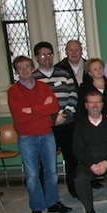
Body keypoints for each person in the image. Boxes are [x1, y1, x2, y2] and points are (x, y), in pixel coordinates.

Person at [8, 56, 71, 213]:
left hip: (46, 134)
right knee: (32, 175)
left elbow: (53, 107)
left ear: (32, 67)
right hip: (27, 137)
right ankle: (36, 208)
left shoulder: (43, 87)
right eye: (20, 68)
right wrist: (41, 110)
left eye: (27, 66)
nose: (24, 70)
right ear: (16, 71)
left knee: (51, 171)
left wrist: (31, 110)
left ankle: (52, 203)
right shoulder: (13, 91)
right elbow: (19, 116)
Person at [32, 41, 79, 200]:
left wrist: (63, 114)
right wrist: (53, 118)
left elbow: (73, 95)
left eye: (49, 54)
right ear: (37, 57)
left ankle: (75, 190)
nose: (47, 57)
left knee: (72, 159)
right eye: (43, 54)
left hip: (67, 124)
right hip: (46, 126)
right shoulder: (33, 78)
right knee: (46, 163)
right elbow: (35, 105)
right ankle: (47, 196)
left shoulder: (64, 73)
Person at [73, 90, 107, 213]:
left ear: (102, 104)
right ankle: (89, 211)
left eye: (98, 102)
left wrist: (106, 162)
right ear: (86, 105)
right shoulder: (80, 126)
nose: (95, 105)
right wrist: (91, 165)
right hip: (88, 164)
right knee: (80, 178)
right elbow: (78, 149)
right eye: (91, 102)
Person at [77, 58, 107, 130]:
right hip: (94, 123)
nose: (99, 71)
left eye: (100, 68)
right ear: (90, 73)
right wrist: (102, 116)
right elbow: (82, 106)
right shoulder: (84, 87)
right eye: (95, 69)